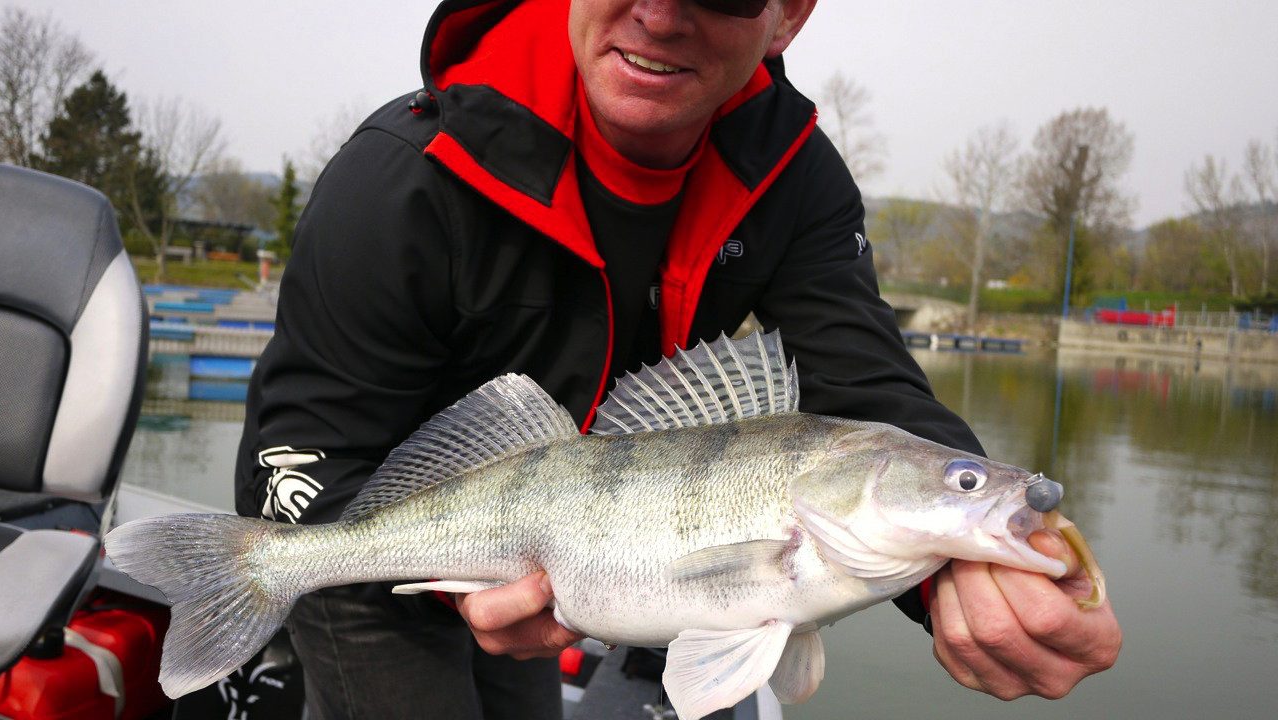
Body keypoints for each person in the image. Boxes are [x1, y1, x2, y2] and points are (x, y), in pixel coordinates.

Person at [235, 0, 1121, 717]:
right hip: (358, 523)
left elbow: (867, 384)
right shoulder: (399, 177)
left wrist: (963, 572)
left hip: (553, 548)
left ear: (787, 15)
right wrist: (432, 582)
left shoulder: (794, 176)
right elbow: (307, 446)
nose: (659, 16)